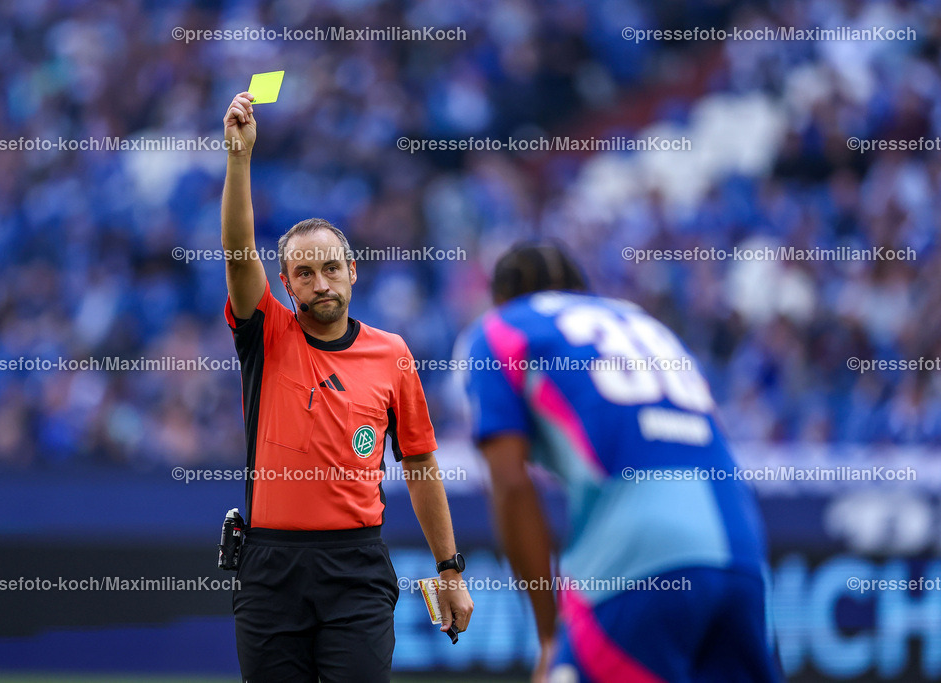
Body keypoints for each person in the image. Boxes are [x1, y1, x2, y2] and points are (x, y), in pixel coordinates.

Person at [220, 91, 473, 682]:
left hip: (355, 569)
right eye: (303, 273)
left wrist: (450, 570)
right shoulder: (268, 335)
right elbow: (237, 254)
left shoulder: (393, 353)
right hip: (269, 570)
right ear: (284, 284)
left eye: (331, 267)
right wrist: (239, 159)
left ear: (353, 270)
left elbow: (421, 463)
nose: (320, 282)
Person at [459, 242, 780, 682]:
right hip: (740, 546)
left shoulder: (500, 329)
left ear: (500, 298)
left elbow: (510, 484)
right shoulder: (648, 325)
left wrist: (550, 634)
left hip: (637, 557)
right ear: (582, 290)